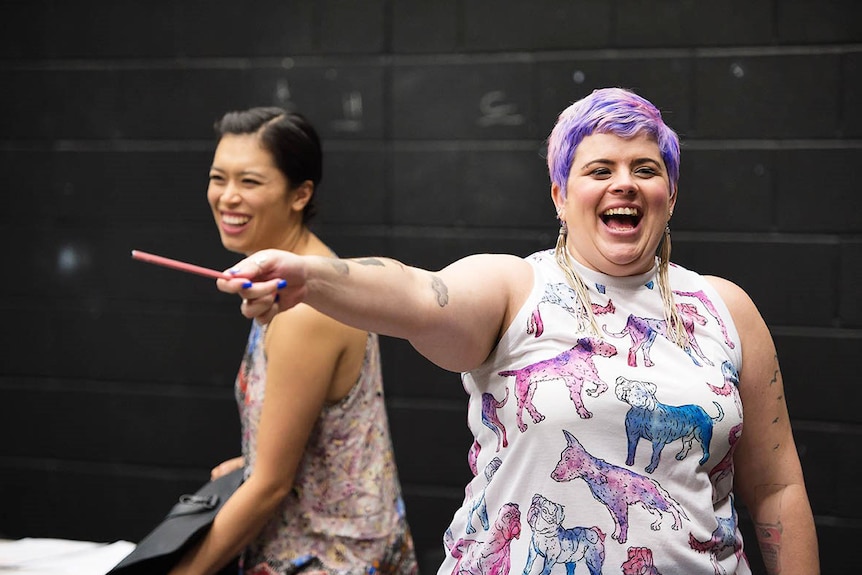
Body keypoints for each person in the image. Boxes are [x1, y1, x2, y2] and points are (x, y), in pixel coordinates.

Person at [216, 89, 819, 574]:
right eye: (599, 169)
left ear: (671, 192)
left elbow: (777, 489)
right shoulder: (514, 289)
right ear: (560, 195)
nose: (625, 184)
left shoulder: (726, 309)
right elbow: (418, 293)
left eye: (646, 168)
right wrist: (309, 276)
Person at [169, 107, 418, 575]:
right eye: (218, 178)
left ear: (300, 194)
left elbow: (270, 487)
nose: (227, 197)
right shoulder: (299, 277)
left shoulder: (304, 309)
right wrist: (251, 461)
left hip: (328, 560)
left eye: (250, 182)